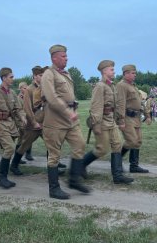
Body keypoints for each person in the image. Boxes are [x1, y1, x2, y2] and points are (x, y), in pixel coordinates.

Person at [41, 44, 91, 200]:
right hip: (55, 121)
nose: (66, 58)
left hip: (70, 121)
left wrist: (73, 108)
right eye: (63, 56)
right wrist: (68, 112)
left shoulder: (66, 73)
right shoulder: (48, 75)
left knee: (80, 145)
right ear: (54, 58)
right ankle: (54, 189)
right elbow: (52, 98)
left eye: (66, 56)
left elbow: (69, 94)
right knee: (54, 155)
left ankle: (74, 180)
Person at [82, 60, 133, 184]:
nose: (114, 71)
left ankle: (117, 176)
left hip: (111, 121)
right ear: (104, 71)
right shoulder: (100, 86)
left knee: (117, 144)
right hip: (102, 122)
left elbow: (116, 105)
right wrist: (96, 125)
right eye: (111, 69)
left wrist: (120, 120)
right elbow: (95, 107)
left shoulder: (112, 86)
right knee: (102, 149)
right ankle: (80, 165)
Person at [0, 67, 27, 189]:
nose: (13, 79)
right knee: (10, 148)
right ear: (4, 78)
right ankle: (2, 177)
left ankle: (3, 176)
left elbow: (18, 109)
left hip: (11, 125)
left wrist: (23, 117)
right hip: (0, 124)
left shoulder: (12, 93)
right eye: (11, 77)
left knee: (8, 150)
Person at [115, 64, 151, 173]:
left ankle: (134, 166)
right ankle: (116, 161)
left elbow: (140, 102)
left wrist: (147, 115)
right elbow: (120, 104)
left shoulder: (133, 86)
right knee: (131, 141)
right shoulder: (121, 86)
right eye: (133, 73)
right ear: (125, 74)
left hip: (136, 118)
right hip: (127, 117)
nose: (135, 75)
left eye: (135, 73)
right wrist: (121, 121)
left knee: (138, 141)